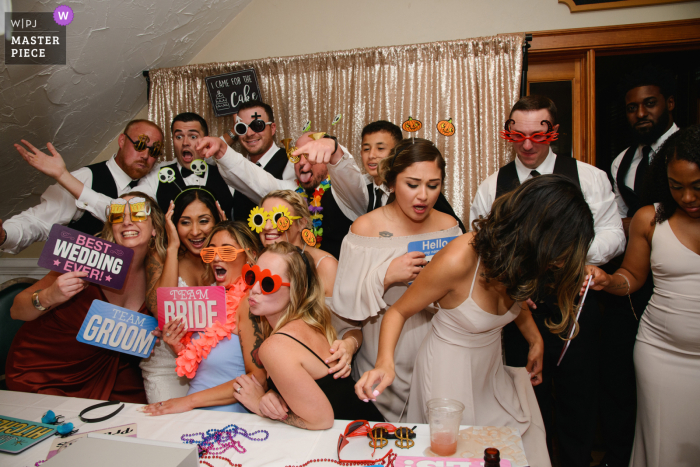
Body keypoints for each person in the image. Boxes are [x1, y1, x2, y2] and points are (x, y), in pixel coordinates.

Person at [358, 175, 595, 466]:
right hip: (448, 375)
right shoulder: (460, 259)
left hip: (491, 370)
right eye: (561, 251)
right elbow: (398, 311)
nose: (559, 262)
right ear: (540, 233)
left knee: (517, 447)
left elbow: (517, 301)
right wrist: (385, 362)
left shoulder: (522, 256)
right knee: (458, 456)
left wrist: (534, 340)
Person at [469, 95, 624, 467]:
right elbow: (481, 246)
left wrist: (570, 257)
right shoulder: (492, 186)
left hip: (578, 308)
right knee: (524, 401)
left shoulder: (589, 176)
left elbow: (613, 233)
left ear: (553, 133)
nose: (526, 146)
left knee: (578, 401)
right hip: (515, 313)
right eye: (516, 136)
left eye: (537, 137)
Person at [585, 125, 700, 467]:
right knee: (662, 443)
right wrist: (608, 280)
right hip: (660, 353)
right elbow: (633, 276)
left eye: (697, 186)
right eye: (677, 187)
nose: (688, 197)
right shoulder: (649, 219)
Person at [332, 138, 462, 421]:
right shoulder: (365, 228)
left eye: (433, 185)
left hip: (438, 353)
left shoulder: (449, 227)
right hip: (383, 353)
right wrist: (385, 276)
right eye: (412, 184)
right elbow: (344, 300)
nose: (423, 196)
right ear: (391, 183)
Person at [5, 193, 166, 402]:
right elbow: (16, 310)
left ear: (154, 227)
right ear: (112, 227)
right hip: (46, 372)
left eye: (138, 214)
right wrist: (49, 295)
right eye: (118, 216)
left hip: (111, 371)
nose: (127, 221)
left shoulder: (162, 272)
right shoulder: (86, 258)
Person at [600, 67, 678, 467]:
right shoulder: (621, 161)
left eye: (649, 103)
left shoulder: (687, 149)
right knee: (622, 375)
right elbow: (617, 221)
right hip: (631, 278)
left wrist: (635, 224)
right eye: (632, 108)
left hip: (674, 271)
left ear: (669, 104)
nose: (641, 114)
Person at [233, 242, 383, 429]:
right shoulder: (311, 324)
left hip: (364, 442)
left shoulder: (275, 346)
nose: (254, 289)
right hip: (370, 429)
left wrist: (259, 406)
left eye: (267, 283)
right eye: (251, 276)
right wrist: (276, 393)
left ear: (298, 291)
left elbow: (321, 420)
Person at [140, 221, 266, 414]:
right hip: (195, 412)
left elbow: (257, 379)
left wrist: (188, 401)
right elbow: (206, 363)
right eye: (210, 252)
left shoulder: (249, 303)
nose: (216, 258)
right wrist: (179, 347)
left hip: (228, 418)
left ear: (251, 256)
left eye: (227, 252)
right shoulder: (207, 299)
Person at [3, 119, 164, 253]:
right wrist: (4, 235)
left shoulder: (155, 183)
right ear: (122, 141)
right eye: (140, 144)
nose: (145, 155)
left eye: (155, 150)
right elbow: (38, 221)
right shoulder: (84, 178)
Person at [196, 131, 355, 259]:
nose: (302, 163)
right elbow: (255, 179)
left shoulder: (346, 193)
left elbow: (351, 179)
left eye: (310, 155)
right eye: (297, 156)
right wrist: (222, 150)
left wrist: (335, 148)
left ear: (325, 158)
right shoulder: (291, 190)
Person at [252, 189, 357, 378]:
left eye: (277, 218)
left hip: (327, 370)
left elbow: (353, 328)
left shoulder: (325, 266)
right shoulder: (260, 265)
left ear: (301, 223)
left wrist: (349, 346)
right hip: (282, 369)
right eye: (262, 218)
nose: (268, 226)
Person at [140, 187, 224, 403]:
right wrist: (172, 248)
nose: (195, 231)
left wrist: (225, 237)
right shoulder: (161, 255)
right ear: (174, 225)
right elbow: (158, 307)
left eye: (204, 221)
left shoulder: (226, 258)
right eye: (185, 222)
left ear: (217, 221)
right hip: (168, 367)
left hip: (215, 364)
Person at [326, 120, 466, 231]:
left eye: (380, 148)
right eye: (366, 149)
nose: (372, 155)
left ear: (397, 153)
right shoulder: (363, 189)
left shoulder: (423, 193)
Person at [221, 100, 296, 222]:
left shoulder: (291, 162)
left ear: (272, 128)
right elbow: (208, 156)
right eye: (242, 128)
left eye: (257, 125)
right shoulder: (230, 168)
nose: (249, 133)